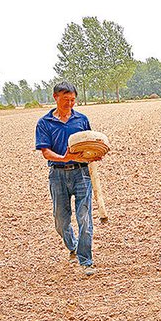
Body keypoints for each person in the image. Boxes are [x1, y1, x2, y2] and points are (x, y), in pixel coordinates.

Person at [35, 82, 100, 276]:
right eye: (65, 99)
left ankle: (85, 260)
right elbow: (46, 152)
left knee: (84, 218)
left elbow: (89, 142)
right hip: (57, 175)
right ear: (55, 97)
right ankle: (72, 246)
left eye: (73, 100)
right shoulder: (44, 122)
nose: (70, 103)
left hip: (81, 174)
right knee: (61, 222)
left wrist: (94, 154)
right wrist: (64, 158)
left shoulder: (81, 119)